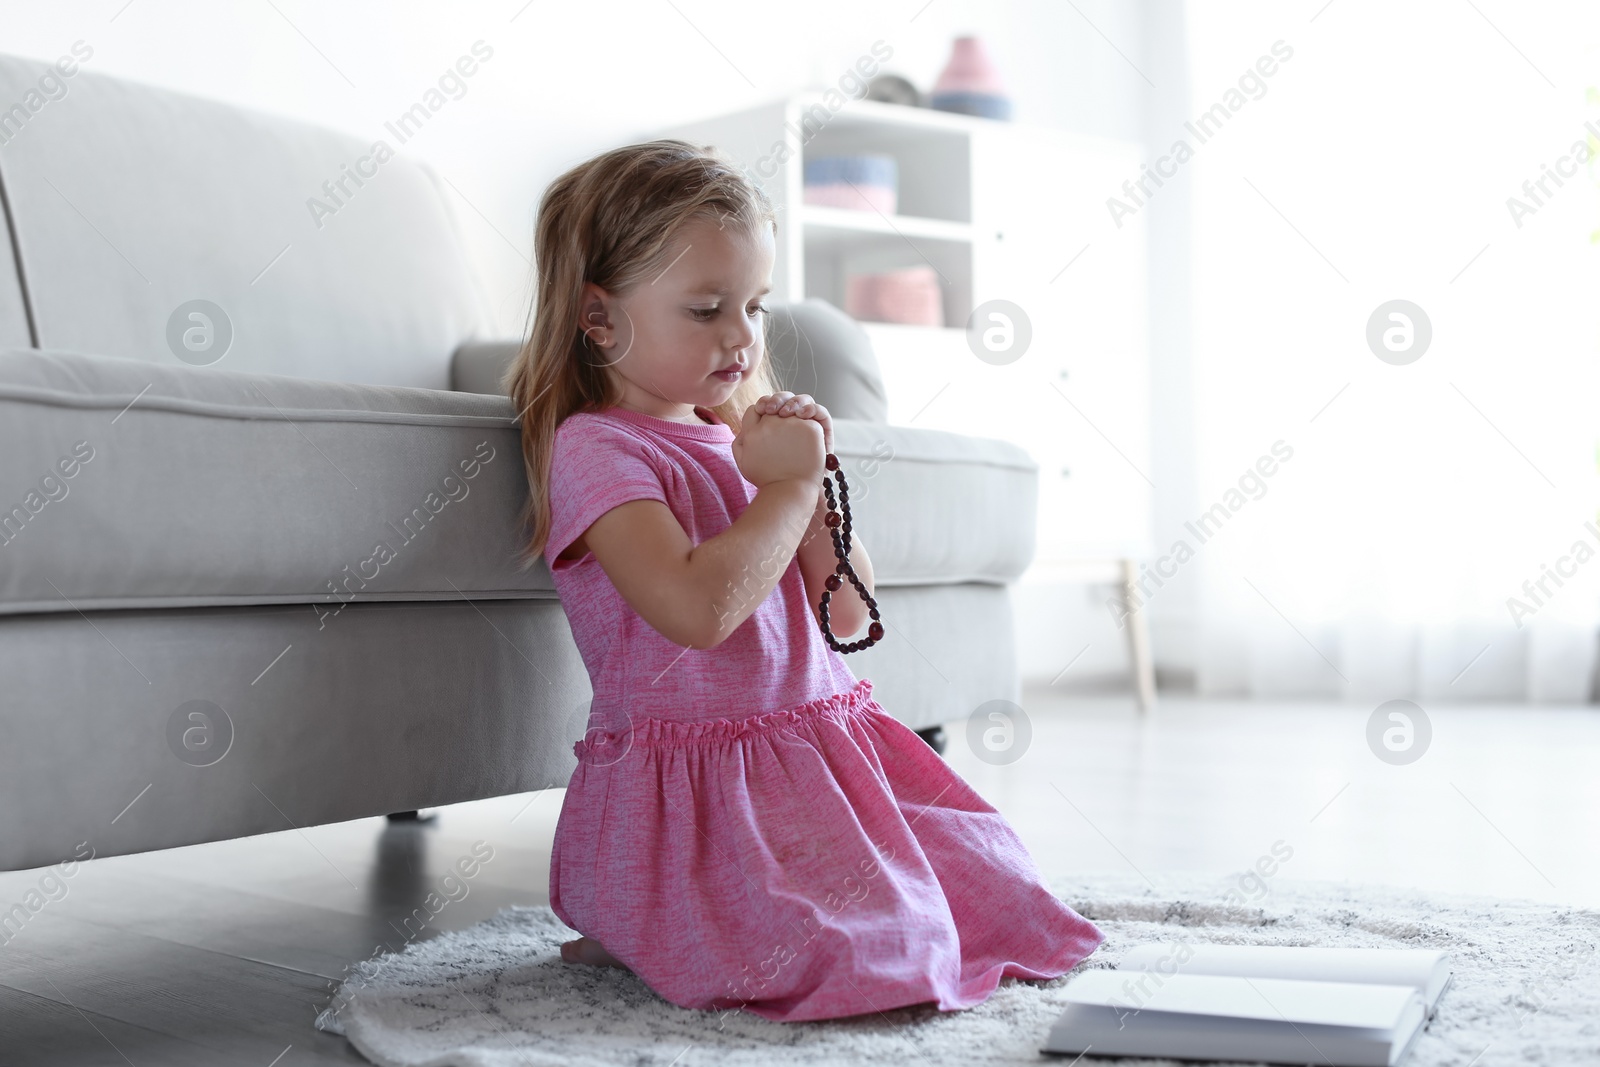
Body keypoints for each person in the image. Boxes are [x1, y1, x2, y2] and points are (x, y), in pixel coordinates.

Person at [503, 138, 1104, 1023]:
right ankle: (647, 911)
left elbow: (850, 611)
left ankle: (657, 926)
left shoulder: (742, 437)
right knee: (870, 950)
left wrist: (813, 487)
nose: (743, 336)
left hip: (824, 751)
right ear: (600, 319)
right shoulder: (599, 450)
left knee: (999, 887)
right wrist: (783, 487)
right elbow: (699, 610)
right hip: (708, 787)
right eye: (706, 309)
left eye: (753, 304)